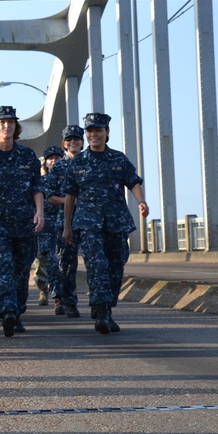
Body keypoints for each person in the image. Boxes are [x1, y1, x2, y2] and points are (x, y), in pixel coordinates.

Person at [62, 113, 148, 334]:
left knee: (115, 266)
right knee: (97, 264)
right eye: (89, 131)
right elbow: (70, 196)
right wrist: (67, 227)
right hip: (88, 223)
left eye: (98, 131)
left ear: (107, 133)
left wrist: (141, 201)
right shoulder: (78, 162)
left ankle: (107, 310)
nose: (93, 135)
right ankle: (100, 311)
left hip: (116, 221)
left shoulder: (118, 159)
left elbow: (133, 182)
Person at [0, 105, 45, 336]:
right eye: (2, 122)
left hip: (24, 222)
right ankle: (7, 311)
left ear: (15, 127)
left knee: (21, 270)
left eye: (10, 122)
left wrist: (40, 212)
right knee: (3, 265)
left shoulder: (27, 156)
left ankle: (17, 312)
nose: (7, 126)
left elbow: (37, 187)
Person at [54, 124, 85, 316]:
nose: (73, 142)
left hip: (91, 221)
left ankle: (100, 304)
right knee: (67, 265)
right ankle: (69, 301)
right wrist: (69, 201)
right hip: (65, 222)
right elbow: (48, 195)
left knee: (96, 262)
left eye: (76, 139)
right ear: (64, 144)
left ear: (82, 142)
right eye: (69, 140)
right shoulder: (59, 167)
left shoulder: (90, 162)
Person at [36, 145, 66, 316]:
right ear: (45, 162)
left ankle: (60, 297)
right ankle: (46, 289)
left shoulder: (67, 179)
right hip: (44, 225)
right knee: (44, 260)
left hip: (61, 224)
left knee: (59, 262)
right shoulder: (40, 181)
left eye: (57, 158)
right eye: (50, 158)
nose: (54, 161)